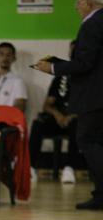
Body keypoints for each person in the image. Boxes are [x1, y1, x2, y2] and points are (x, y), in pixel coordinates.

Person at [35, 0, 103, 210]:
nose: (76, 7)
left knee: (88, 141)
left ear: (88, 3)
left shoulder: (92, 24)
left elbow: (84, 64)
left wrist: (53, 67)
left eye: (78, 2)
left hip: (94, 96)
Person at [29, 41, 79, 184]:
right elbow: (47, 105)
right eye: (72, 51)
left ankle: (69, 168)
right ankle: (31, 167)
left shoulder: (91, 77)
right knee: (38, 123)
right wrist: (58, 115)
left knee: (77, 125)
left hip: (77, 117)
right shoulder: (61, 76)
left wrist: (72, 116)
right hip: (59, 117)